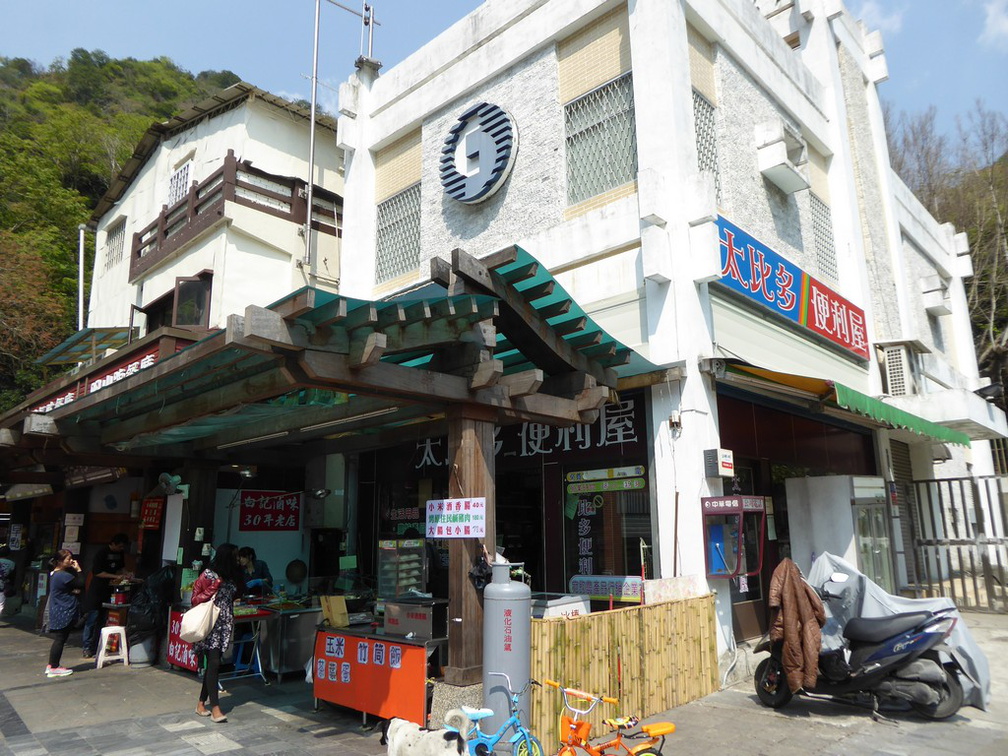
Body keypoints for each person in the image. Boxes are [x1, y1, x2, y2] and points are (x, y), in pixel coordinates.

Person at [192, 543, 246, 723]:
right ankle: (215, 708)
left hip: (224, 623)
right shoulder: (209, 574)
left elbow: (239, 593)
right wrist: (214, 587)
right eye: (235, 556)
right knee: (214, 662)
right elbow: (195, 597)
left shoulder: (233, 575)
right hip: (210, 623)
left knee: (213, 665)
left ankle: (201, 704)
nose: (238, 559)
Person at [81, 533, 132, 659]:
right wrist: (115, 576)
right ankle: (87, 647)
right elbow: (97, 573)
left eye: (122, 548)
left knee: (103, 620)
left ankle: (98, 646)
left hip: (110, 590)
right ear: (113, 543)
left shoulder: (119, 554)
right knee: (92, 619)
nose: (121, 549)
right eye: (119, 546)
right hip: (97, 590)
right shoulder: (102, 553)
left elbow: (122, 568)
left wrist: (127, 574)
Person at [45, 550, 84, 678]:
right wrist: (78, 569)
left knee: (60, 638)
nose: (71, 561)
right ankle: (54, 667)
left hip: (59, 609)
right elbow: (81, 583)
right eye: (68, 559)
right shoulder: (62, 575)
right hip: (63, 610)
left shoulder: (56, 574)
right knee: (60, 639)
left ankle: (52, 665)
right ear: (60, 561)